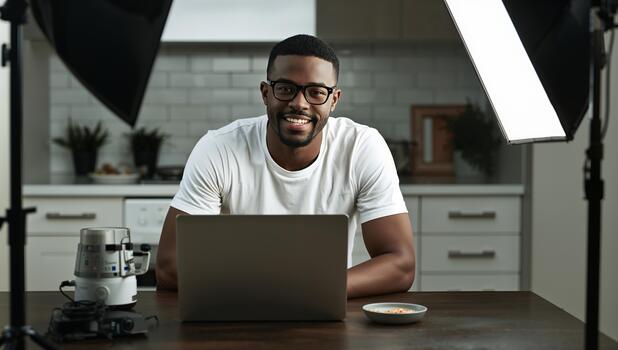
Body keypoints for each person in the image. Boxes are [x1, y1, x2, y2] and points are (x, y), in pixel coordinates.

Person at [156, 34, 415, 298]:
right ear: (266, 93)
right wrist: (278, 291)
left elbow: (401, 265)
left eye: (316, 92)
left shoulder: (362, 147)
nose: (299, 103)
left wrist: (311, 290)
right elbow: (168, 267)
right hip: (237, 312)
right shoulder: (218, 148)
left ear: (334, 100)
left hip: (323, 308)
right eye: (285, 88)